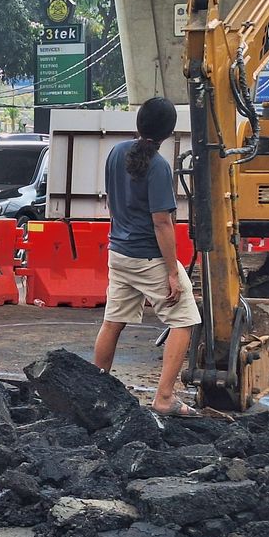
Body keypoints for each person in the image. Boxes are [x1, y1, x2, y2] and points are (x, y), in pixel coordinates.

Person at [92, 97, 202, 417]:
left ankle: (96, 390)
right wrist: (171, 272)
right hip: (148, 257)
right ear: (169, 132)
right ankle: (165, 398)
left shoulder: (115, 153)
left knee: (112, 323)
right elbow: (162, 222)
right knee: (184, 320)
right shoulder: (158, 166)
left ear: (138, 123)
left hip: (119, 253)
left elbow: (113, 202)